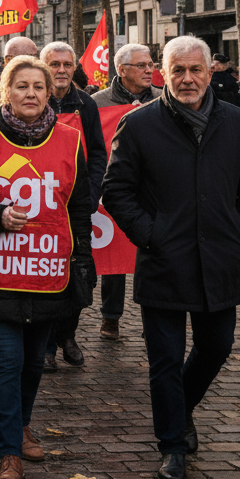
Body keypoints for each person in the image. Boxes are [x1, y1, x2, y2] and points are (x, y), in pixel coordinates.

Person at [102, 36, 240, 479]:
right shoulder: (139, 124)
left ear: (210, 72)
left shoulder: (236, 122)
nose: (187, 79)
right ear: (163, 73)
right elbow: (116, 190)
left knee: (217, 347)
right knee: (165, 361)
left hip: (219, 259)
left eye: (196, 70)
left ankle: (182, 407)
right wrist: (151, 235)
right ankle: (172, 446)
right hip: (164, 262)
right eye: (178, 70)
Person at [0, 55, 94, 479]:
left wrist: (82, 258)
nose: (30, 93)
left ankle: (22, 424)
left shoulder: (71, 140)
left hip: (49, 272)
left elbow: (79, 207)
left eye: (38, 86)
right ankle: (9, 453)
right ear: (6, 92)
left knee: (32, 363)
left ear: (50, 93)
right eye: (22, 86)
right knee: (6, 363)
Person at [40, 41, 106, 370]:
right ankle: (46, 344)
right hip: (40, 204)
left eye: (67, 64)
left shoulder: (86, 104)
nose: (62, 70)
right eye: (55, 64)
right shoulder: (32, 99)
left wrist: (91, 194)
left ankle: (68, 335)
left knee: (79, 274)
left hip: (76, 206)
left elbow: (98, 154)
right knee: (45, 275)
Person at [92, 43, 162, 340]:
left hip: (155, 189)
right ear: (122, 70)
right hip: (114, 188)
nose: (149, 70)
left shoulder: (164, 99)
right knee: (114, 256)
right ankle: (111, 316)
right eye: (142, 65)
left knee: (156, 253)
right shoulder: (96, 103)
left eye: (151, 65)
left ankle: (155, 318)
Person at [0, 38, 38, 114]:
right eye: (23, 60)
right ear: (8, 60)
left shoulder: (46, 93)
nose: (31, 64)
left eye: (34, 58)